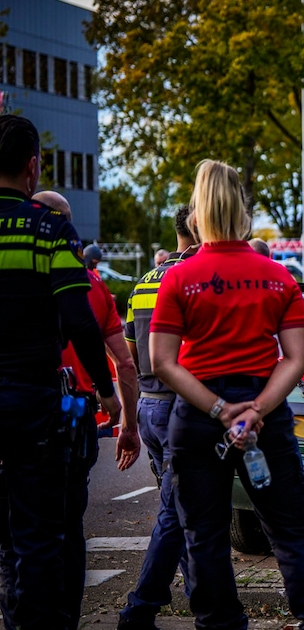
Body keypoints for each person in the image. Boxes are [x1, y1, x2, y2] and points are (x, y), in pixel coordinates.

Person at [149, 159, 304, 628]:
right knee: (293, 530)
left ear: (197, 215)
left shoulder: (178, 277)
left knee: (204, 535)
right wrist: (255, 409)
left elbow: (162, 362)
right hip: (265, 416)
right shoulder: (277, 276)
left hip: (198, 418)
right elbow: (297, 358)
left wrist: (220, 409)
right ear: (243, 210)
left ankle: (220, 623)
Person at [0, 114, 120, 629]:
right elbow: (79, 318)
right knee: (39, 538)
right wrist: (109, 392)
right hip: (32, 400)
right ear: (33, 168)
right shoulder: (49, 229)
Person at [22, 190, 141, 630]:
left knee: (18, 530)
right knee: (70, 526)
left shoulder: (22, 276)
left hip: (23, 408)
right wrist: (127, 420)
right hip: (77, 420)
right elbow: (124, 361)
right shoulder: (91, 284)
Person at [118, 205, 199, 630]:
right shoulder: (194, 276)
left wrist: (129, 419)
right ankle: (140, 606)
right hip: (179, 404)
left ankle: (197, 592)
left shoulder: (143, 282)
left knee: (177, 503)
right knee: (175, 507)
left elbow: (129, 356)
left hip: (149, 404)